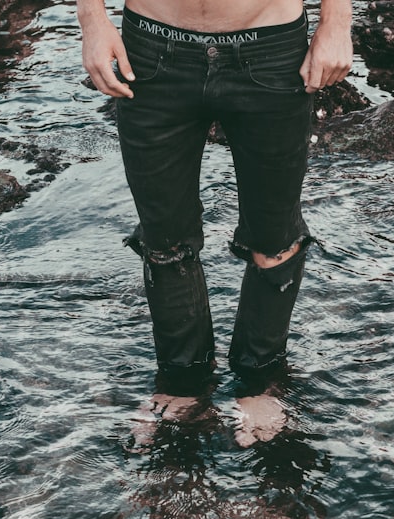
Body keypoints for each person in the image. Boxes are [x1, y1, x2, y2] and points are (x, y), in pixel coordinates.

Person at [77, 0, 353, 442]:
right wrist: (92, 22)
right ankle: (182, 384)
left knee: (273, 235)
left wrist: (336, 22)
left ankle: (261, 381)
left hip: (270, 47)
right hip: (151, 49)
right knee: (164, 237)